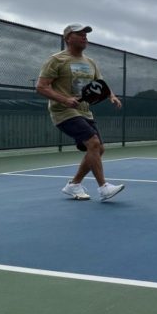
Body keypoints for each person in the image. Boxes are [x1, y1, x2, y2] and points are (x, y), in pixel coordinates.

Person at [36, 24, 124, 202]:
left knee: (99, 149)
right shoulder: (56, 60)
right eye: (80, 34)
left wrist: (111, 96)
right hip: (63, 111)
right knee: (93, 142)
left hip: (84, 112)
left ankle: (73, 185)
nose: (85, 37)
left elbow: (100, 84)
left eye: (86, 34)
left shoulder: (90, 62)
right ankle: (104, 188)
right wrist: (64, 99)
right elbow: (41, 87)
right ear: (68, 38)